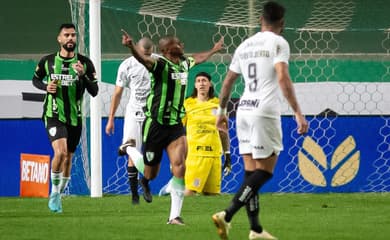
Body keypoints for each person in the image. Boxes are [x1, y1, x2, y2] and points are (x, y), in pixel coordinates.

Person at [211, 2, 308, 240]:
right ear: (282, 24)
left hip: (243, 109)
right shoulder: (278, 42)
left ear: (260, 20)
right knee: (264, 172)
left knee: (251, 173)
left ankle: (255, 230)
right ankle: (228, 214)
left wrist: (221, 111)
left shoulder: (244, 45)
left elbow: (227, 82)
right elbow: (283, 77)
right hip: (264, 111)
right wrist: (297, 111)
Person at [121, 30, 223, 225]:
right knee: (151, 173)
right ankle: (130, 149)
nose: (182, 45)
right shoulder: (159, 64)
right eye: (178, 43)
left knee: (179, 166)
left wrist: (213, 50)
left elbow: (198, 59)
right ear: (167, 49)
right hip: (156, 125)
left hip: (175, 125)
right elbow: (144, 60)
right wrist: (131, 47)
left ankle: (174, 217)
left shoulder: (184, 63)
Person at [32, 23, 99, 213]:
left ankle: (58, 195)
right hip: (53, 115)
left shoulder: (85, 63)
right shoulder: (48, 61)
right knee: (60, 153)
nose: (70, 38)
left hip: (75, 118)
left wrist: (83, 75)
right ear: (59, 39)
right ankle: (54, 193)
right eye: (66, 35)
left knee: (69, 158)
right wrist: (46, 87)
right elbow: (35, 79)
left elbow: (94, 91)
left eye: (73, 35)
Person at [105, 37, 154, 205]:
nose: (146, 56)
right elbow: (117, 93)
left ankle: (145, 183)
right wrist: (111, 119)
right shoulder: (126, 65)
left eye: (148, 53)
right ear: (137, 49)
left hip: (153, 114)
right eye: (143, 53)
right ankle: (134, 195)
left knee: (151, 153)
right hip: (134, 112)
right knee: (133, 153)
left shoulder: (158, 62)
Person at [183, 71, 231, 196]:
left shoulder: (218, 104)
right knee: (190, 192)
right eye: (198, 81)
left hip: (215, 155)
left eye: (204, 80)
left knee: (213, 195)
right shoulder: (187, 104)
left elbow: (223, 131)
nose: (201, 83)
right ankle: (180, 214)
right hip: (195, 155)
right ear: (194, 85)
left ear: (210, 84)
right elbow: (179, 132)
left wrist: (227, 154)